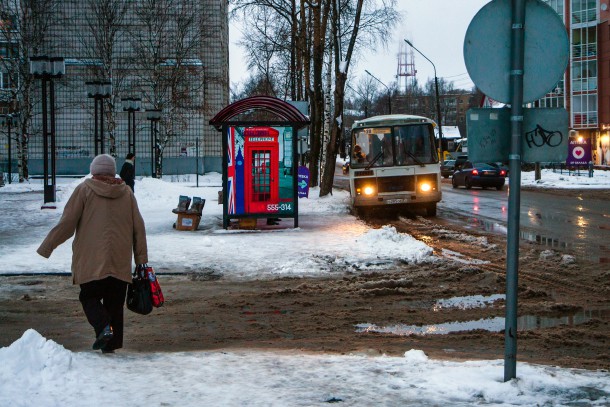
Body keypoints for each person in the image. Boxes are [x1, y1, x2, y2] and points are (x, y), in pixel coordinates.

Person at [37, 154, 148, 353]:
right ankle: (111, 345)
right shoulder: (127, 193)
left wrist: (47, 246)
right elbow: (139, 228)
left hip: (90, 259)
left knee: (89, 297)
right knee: (114, 303)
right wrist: (141, 259)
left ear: (94, 170)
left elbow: (67, 224)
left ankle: (104, 327)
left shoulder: (84, 190)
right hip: (120, 260)